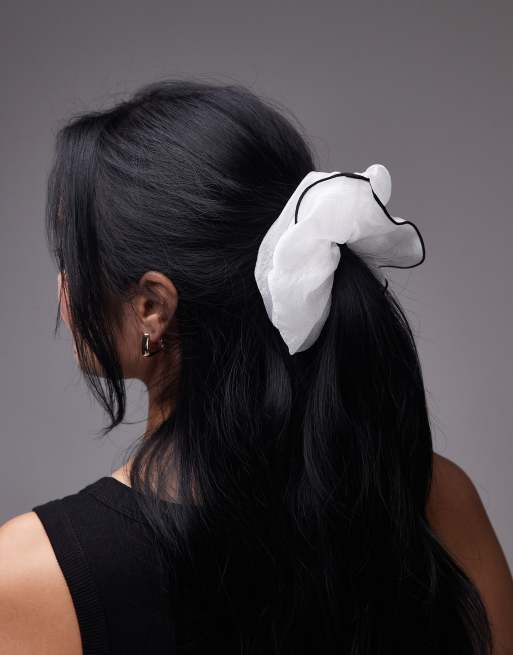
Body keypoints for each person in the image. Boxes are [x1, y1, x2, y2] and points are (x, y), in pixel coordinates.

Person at [0, 79, 512, 654]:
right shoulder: (437, 499)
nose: (63, 286)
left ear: (151, 308)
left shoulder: (35, 576)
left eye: (72, 259)